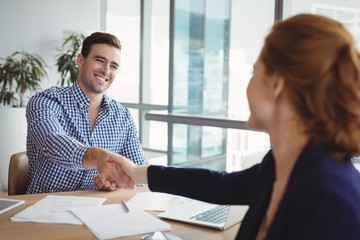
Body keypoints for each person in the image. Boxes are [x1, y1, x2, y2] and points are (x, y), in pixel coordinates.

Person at [104, 14, 360, 239]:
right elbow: (220, 185)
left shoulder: (330, 199)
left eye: (254, 72)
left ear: (276, 85)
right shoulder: (281, 164)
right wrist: (137, 172)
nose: (247, 86)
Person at [26, 32, 146, 194]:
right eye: (100, 60)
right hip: (43, 208)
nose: (106, 71)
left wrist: (117, 182)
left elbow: (138, 171)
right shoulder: (45, 101)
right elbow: (52, 142)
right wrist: (98, 157)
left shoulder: (122, 116)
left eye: (113, 66)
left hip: (98, 211)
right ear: (81, 61)